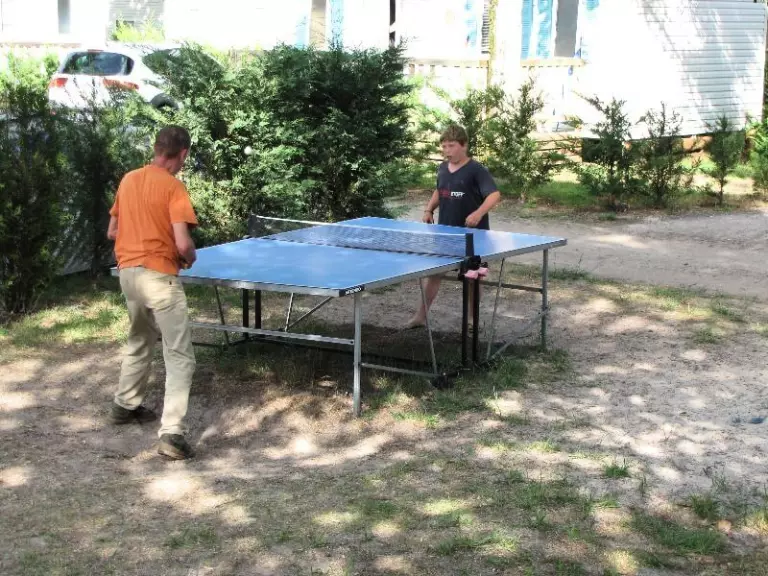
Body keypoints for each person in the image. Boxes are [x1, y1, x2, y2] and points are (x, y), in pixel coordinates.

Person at [107, 125, 198, 460]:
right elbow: (183, 244)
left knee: (139, 339)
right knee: (179, 354)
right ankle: (172, 434)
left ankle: (124, 405)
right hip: (160, 278)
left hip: (128, 274)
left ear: (157, 148)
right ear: (182, 153)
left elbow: (113, 230)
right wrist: (189, 256)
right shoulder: (174, 187)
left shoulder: (129, 179)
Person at [407, 124, 501, 328]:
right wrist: (429, 210)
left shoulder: (476, 170)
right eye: (444, 146)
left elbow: (494, 195)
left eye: (451, 146)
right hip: (446, 234)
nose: (447, 150)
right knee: (434, 274)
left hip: (473, 236)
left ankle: (472, 320)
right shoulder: (442, 168)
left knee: (472, 278)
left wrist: (478, 213)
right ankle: (420, 317)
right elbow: (439, 190)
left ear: (464, 145)